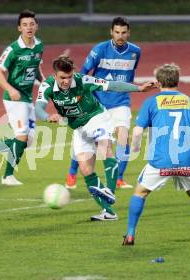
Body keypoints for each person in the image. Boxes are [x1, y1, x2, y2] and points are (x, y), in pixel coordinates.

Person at [122, 63, 190, 245]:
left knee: (140, 193)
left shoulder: (151, 102)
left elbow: (137, 132)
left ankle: (130, 234)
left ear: (158, 82)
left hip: (161, 161)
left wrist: (134, 149)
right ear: (177, 81)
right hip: (187, 159)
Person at [36, 56, 154, 221]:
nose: (66, 81)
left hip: (96, 117)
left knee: (104, 148)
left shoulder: (82, 80)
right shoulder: (46, 86)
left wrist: (139, 88)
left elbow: (111, 85)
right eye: (62, 77)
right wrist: (47, 116)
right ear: (55, 75)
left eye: (69, 77)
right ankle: (108, 212)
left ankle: (110, 192)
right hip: (79, 128)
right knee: (85, 169)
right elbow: (38, 108)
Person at [65, 17, 141, 190]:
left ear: (128, 33)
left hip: (121, 101)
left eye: (123, 32)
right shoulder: (99, 50)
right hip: (97, 103)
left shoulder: (136, 52)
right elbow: (83, 73)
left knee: (123, 137)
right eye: (117, 32)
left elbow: (129, 75)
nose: (120, 36)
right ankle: (71, 173)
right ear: (111, 32)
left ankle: (119, 178)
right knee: (87, 139)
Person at [0, 9, 44, 186]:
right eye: (24, 25)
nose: (28, 27)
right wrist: (10, 89)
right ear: (19, 28)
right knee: (21, 136)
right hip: (14, 99)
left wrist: (43, 81)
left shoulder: (39, 46)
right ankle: (7, 176)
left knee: (27, 141)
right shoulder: (13, 50)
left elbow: (35, 67)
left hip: (28, 98)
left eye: (31, 24)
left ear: (36, 26)